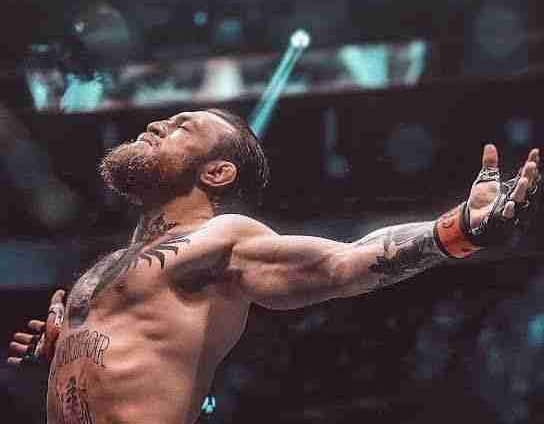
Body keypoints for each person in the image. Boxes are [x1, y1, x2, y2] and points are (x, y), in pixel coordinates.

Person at [7, 108, 541, 424]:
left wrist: (458, 230)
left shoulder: (221, 239)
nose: (156, 124)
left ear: (217, 172)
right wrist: (51, 359)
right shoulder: (101, 270)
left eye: (181, 127)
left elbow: (344, 262)